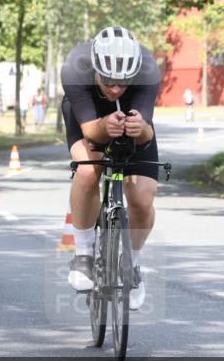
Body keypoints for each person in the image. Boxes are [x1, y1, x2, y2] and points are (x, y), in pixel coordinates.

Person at [61, 26, 162, 310]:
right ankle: (84, 254)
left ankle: (131, 264)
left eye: (123, 82)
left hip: (132, 120)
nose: (115, 89)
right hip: (88, 117)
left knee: (142, 199)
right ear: (95, 68)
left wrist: (140, 128)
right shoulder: (75, 67)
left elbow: (146, 133)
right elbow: (91, 132)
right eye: (108, 81)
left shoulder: (148, 69)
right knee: (87, 170)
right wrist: (105, 126)